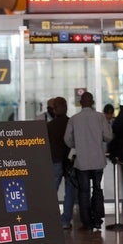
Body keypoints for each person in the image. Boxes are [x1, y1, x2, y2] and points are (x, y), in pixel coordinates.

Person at [64, 92, 113, 231]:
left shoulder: (74, 119)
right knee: (97, 189)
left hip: (82, 161)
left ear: (80, 102)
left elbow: (67, 139)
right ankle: (97, 220)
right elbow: (108, 137)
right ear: (92, 102)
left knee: (83, 191)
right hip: (98, 160)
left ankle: (86, 222)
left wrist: (76, 144)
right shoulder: (100, 117)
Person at [46, 96, 75, 230]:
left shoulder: (49, 126)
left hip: (55, 161)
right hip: (70, 162)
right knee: (70, 192)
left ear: (55, 109)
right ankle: (65, 221)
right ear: (66, 107)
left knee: (51, 192)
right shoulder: (72, 123)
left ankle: (49, 219)